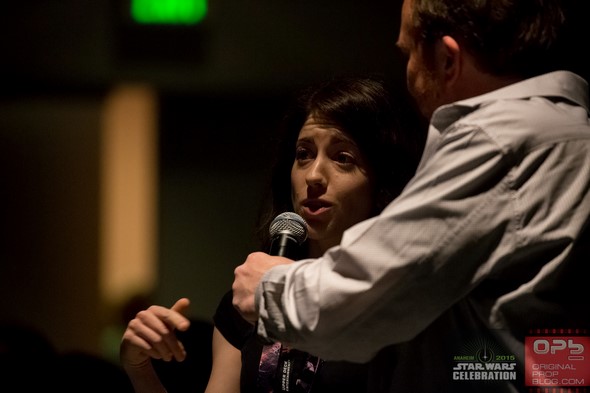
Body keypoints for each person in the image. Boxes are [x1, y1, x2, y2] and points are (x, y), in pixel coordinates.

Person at [232, 0, 590, 392]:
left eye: (407, 53)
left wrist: (270, 292)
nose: (314, 176)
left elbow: (374, 291)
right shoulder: (568, 131)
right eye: (303, 155)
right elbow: (555, 357)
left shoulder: (500, 140)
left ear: (446, 59)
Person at [119, 75, 426, 392]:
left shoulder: (403, 297)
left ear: (383, 180)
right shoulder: (246, 301)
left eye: (342, 158)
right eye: (304, 154)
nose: (314, 175)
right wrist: (139, 368)